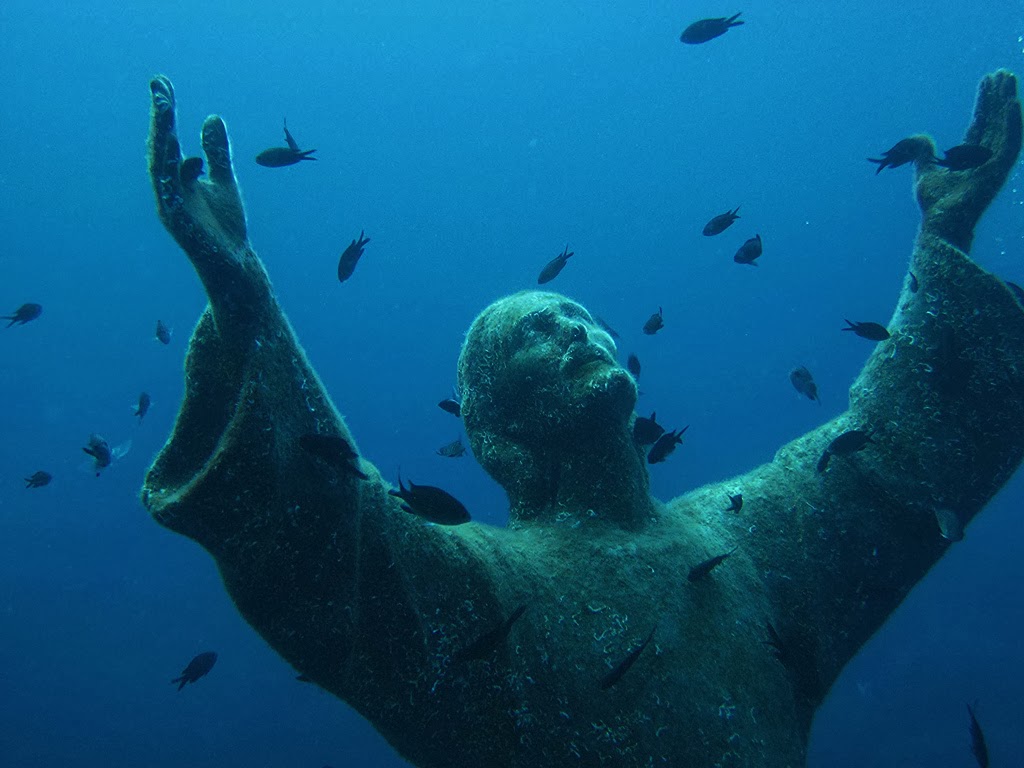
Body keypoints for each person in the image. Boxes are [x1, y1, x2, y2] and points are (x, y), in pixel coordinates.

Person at [144, 72, 1022, 767]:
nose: (571, 328)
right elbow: (330, 537)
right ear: (493, 425)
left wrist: (942, 243)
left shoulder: (749, 543)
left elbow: (891, 462)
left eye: (578, 316)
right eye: (533, 331)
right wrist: (248, 307)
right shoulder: (477, 585)